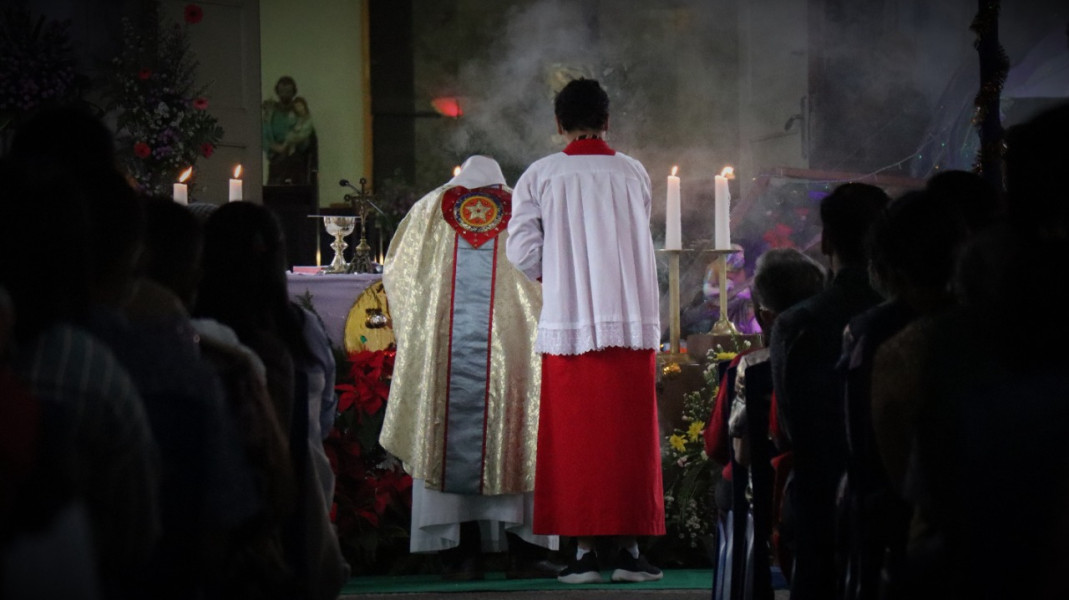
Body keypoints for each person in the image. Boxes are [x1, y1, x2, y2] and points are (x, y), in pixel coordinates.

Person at [506, 78, 665, 584]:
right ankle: (631, 553)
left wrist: (564, 276)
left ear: (558, 123)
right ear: (607, 120)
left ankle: (583, 555)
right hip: (631, 319)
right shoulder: (633, 172)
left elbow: (521, 251)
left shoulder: (541, 174)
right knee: (629, 438)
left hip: (570, 320)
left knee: (575, 439)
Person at [379, 155, 561, 580]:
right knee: (516, 439)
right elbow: (549, 275)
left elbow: (399, 277)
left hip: (446, 351)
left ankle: (459, 554)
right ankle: (525, 552)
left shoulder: (427, 210)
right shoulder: (523, 206)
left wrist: (419, 335)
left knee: (449, 440)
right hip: (513, 352)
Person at [769, 182, 888, 600]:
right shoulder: (909, 318)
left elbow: (789, 427)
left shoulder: (797, 324)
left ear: (827, 242)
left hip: (820, 493)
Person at [263, 76, 316, 185]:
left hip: (296, 160)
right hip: (276, 159)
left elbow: (307, 135)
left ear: (294, 92)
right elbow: (264, 135)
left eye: (288, 91)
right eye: (282, 91)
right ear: (277, 92)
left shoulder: (299, 111)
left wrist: (297, 143)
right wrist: (274, 148)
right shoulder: (271, 113)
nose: (285, 94)